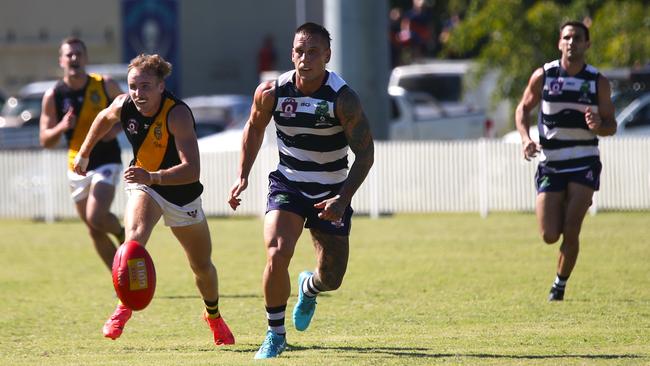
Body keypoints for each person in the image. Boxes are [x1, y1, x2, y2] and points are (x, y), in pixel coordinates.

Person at [228, 22, 375, 359]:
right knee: (277, 252)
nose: (304, 58)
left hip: (331, 191)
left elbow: (365, 153)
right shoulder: (271, 92)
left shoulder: (343, 99)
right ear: (291, 53)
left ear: (327, 55)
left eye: (312, 52)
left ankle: (309, 287)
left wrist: (343, 198)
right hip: (288, 185)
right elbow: (252, 129)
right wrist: (242, 176)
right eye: (298, 51)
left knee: (332, 278)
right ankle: (275, 334)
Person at [72, 54, 235, 345]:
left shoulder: (178, 114)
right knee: (132, 242)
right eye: (133, 85)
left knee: (201, 266)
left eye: (145, 86)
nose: (138, 93)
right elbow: (101, 118)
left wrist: (153, 176)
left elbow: (192, 170)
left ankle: (213, 316)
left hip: (182, 194)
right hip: (146, 187)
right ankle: (123, 307)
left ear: (161, 86)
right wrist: (84, 153)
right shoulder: (124, 104)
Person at [514, 21, 616, 302]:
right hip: (551, 162)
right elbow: (522, 108)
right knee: (549, 234)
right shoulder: (544, 75)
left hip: (584, 161)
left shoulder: (597, 81)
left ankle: (559, 285)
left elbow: (612, 124)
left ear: (587, 44)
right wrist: (525, 139)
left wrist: (599, 126)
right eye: (567, 37)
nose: (572, 42)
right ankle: (565, 201)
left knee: (572, 228)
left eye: (578, 38)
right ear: (559, 43)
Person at [39, 37, 125, 271]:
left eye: (78, 54)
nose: (74, 58)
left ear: (86, 58)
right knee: (93, 229)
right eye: (69, 54)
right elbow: (45, 140)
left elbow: (131, 115)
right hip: (77, 164)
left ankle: (121, 233)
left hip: (106, 159)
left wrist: (114, 129)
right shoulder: (53, 95)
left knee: (96, 216)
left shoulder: (104, 84)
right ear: (61, 60)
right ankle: (120, 280)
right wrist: (62, 126)